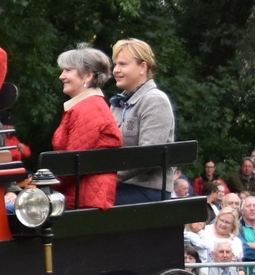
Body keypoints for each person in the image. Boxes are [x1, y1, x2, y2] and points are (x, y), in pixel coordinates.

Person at [50, 46, 121, 210]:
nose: (62, 76)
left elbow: (71, 165)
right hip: (78, 196)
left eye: (68, 70)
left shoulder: (89, 110)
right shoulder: (86, 106)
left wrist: (40, 186)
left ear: (88, 76)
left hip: (82, 201)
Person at [108, 38, 175, 204]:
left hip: (147, 190)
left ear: (142, 67)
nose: (116, 70)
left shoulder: (155, 100)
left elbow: (148, 157)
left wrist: (108, 177)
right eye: (115, 64)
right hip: (120, 186)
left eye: (123, 64)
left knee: (83, 204)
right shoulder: (117, 104)